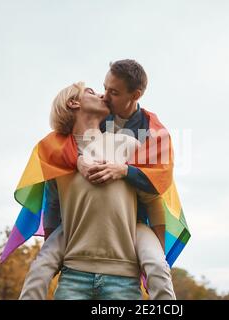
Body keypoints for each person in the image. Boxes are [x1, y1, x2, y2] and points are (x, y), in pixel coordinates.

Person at [19, 81, 175, 300]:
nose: (103, 94)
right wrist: (52, 254)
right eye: (91, 92)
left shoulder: (127, 144)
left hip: (123, 277)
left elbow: (153, 198)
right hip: (74, 274)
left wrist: (157, 256)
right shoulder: (55, 155)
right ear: (73, 102)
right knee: (36, 272)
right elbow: (53, 206)